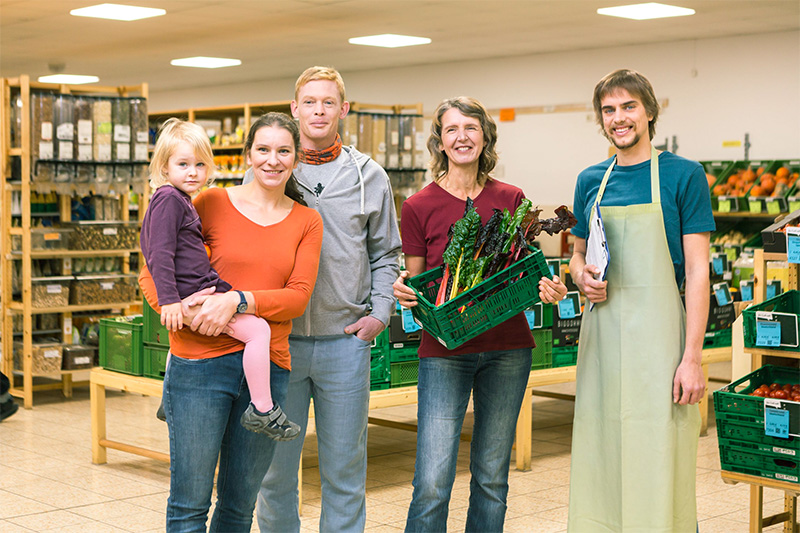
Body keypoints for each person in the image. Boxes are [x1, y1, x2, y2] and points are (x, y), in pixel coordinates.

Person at [139, 112, 323, 532]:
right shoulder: (208, 200)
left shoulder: (306, 220)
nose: (272, 160)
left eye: (283, 151)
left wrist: (239, 301)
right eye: (263, 149)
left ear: (297, 159)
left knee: (240, 506)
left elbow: (297, 298)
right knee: (190, 503)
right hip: (200, 363)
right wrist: (178, 310)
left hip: (267, 368)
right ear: (247, 155)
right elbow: (153, 264)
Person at [392, 96, 568, 533]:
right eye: (451, 130)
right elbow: (416, 284)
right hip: (445, 350)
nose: (462, 137)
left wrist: (549, 289)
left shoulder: (512, 199)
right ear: (441, 142)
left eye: (470, 128)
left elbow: (527, 271)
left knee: (491, 477)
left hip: (507, 348)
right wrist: (403, 292)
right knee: (433, 479)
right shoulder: (418, 206)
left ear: (485, 136)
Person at [255, 66, 402, 533]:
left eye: (329, 102)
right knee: (274, 470)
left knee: (344, 468)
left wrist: (379, 314)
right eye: (310, 102)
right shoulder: (272, 168)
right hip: (280, 345)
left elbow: (387, 253)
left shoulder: (369, 175)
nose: (319, 110)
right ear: (295, 109)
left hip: (345, 343)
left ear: (344, 108)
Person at [567, 69, 713, 532]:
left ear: (650, 111)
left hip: (660, 339)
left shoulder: (684, 175)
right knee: (601, 442)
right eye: (609, 110)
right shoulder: (591, 179)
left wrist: (692, 357)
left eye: (628, 106)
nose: (618, 118)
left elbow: (696, 272)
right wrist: (581, 278)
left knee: (659, 445)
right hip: (603, 339)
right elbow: (574, 256)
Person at [141, 118, 299, 440]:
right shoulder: (171, 200)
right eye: (183, 164)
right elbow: (157, 254)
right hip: (195, 294)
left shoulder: (180, 200)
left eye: (200, 165)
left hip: (198, 289)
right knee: (257, 330)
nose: (192, 172)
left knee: (184, 344)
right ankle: (263, 408)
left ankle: (166, 396)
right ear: (164, 166)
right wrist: (170, 301)